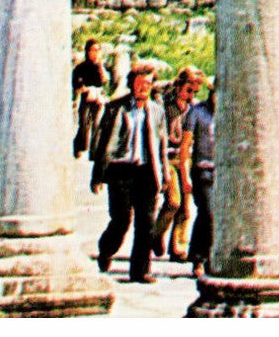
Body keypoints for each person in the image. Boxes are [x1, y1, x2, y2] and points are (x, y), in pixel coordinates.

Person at [91, 62, 168, 283]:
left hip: (146, 171)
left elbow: (161, 145)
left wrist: (165, 174)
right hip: (121, 170)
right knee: (121, 220)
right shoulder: (116, 108)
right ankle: (106, 250)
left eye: (148, 83)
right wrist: (98, 176)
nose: (144, 87)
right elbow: (103, 143)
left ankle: (140, 271)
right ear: (132, 84)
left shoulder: (157, 111)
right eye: (140, 83)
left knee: (146, 224)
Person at [152, 66, 203, 262]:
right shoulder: (165, 104)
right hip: (168, 157)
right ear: (180, 85)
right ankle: (156, 234)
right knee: (173, 201)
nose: (191, 95)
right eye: (189, 90)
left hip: (185, 159)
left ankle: (178, 247)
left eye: (195, 92)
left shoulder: (193, 108)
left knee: (185, 209)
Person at [177, 81, 215, 280]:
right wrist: (184, 174)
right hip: (202, 170)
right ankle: (199, 258)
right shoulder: (197, 112)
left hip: (222, 171)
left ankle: (207, 257)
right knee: (208, 212)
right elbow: (185, 145)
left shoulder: (230, 110)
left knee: (213, 216)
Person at [72, 39, 108, 158]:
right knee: (84, 124)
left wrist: (100, 67)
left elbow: (105, 81)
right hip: (86, 98)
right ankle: (79, 145)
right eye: (93, 50)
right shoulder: (81, 67)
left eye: (97, 50)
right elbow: (76, 84)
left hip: (98, 98)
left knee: (97, 125)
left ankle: (95, 152)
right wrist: (85, 89)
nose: (95, 53)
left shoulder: (100, 66)